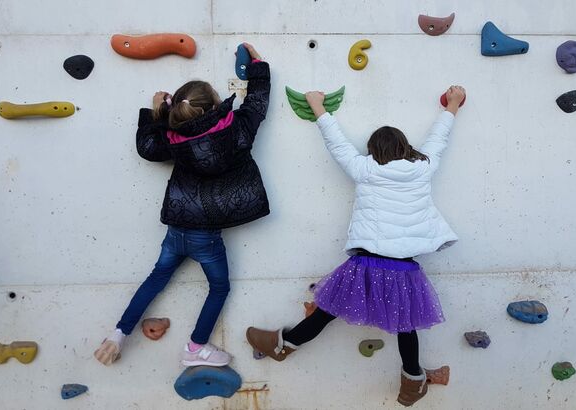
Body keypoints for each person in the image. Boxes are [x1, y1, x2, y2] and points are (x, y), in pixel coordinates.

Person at [246, 86, 466, 406]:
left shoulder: (365, 169)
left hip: (366, 265)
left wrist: (317, 106)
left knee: (328, 311)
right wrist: (454, 105)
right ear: (405, 146)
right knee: (406, 327)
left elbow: (337, 144)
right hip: (403, 269)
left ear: (373, 149)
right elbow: (439, 138)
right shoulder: (423, 167)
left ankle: (285, 345)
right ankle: (413, 383)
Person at [95, 43, 271, 368]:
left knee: (155, 279)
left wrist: (154, 112)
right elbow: (257, 102)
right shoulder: (239, 130)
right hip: (206, 238)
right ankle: (195, 348)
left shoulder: (174, 141)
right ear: (216, 104)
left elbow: (148, 146)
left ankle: (119, 333)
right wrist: (257, 65)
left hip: (176, 232)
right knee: (219, 288)